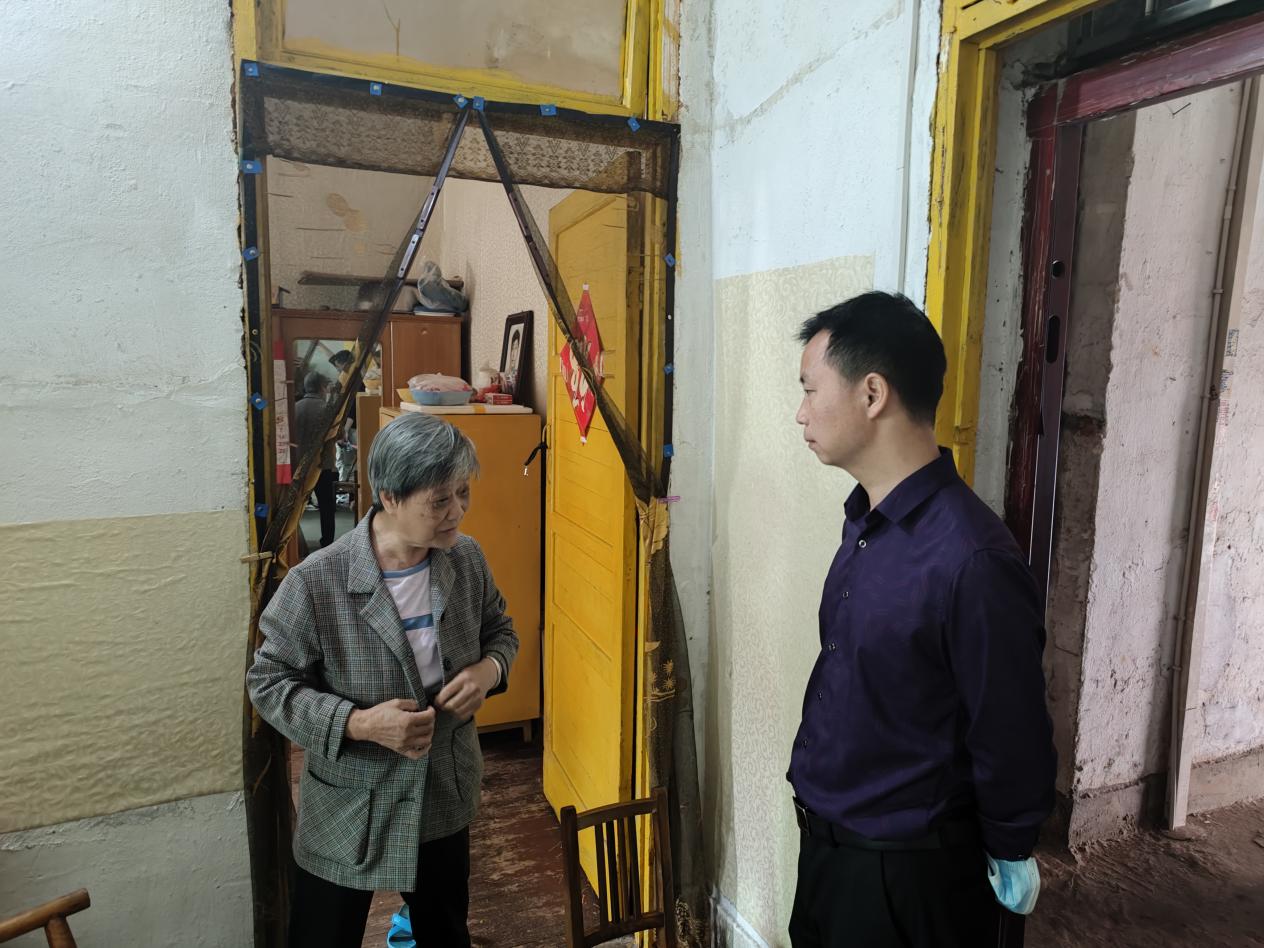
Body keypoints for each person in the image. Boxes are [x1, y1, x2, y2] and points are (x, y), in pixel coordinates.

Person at [788, 291, 1056, 947]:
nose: (801, 412)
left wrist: (1011, 846)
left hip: (905, 879)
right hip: (827, 852)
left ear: (872, 393)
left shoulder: (972, 560)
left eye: (811, 389)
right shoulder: (866, 522)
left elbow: (1011, 732)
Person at [247, 413, 519, 948]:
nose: (457, 511)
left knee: (445, 932)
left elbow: (500, 631)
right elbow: (269, 682)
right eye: (439, 501)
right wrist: (358, 723)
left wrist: (489, 670)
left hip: (441, 787)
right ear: (390, 497)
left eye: (463, 493)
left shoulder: (464, 559)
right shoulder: (316, 582)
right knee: (324, 935)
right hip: (350, 800)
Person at [293, 372, 338, 547]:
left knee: (295, 507)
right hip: (322, 465)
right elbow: (338, 434)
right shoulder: (327, 409)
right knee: (327, 506)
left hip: (298, 465)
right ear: (321, 387)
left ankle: (295, 545)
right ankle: (327, 543)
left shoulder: (294, 407)